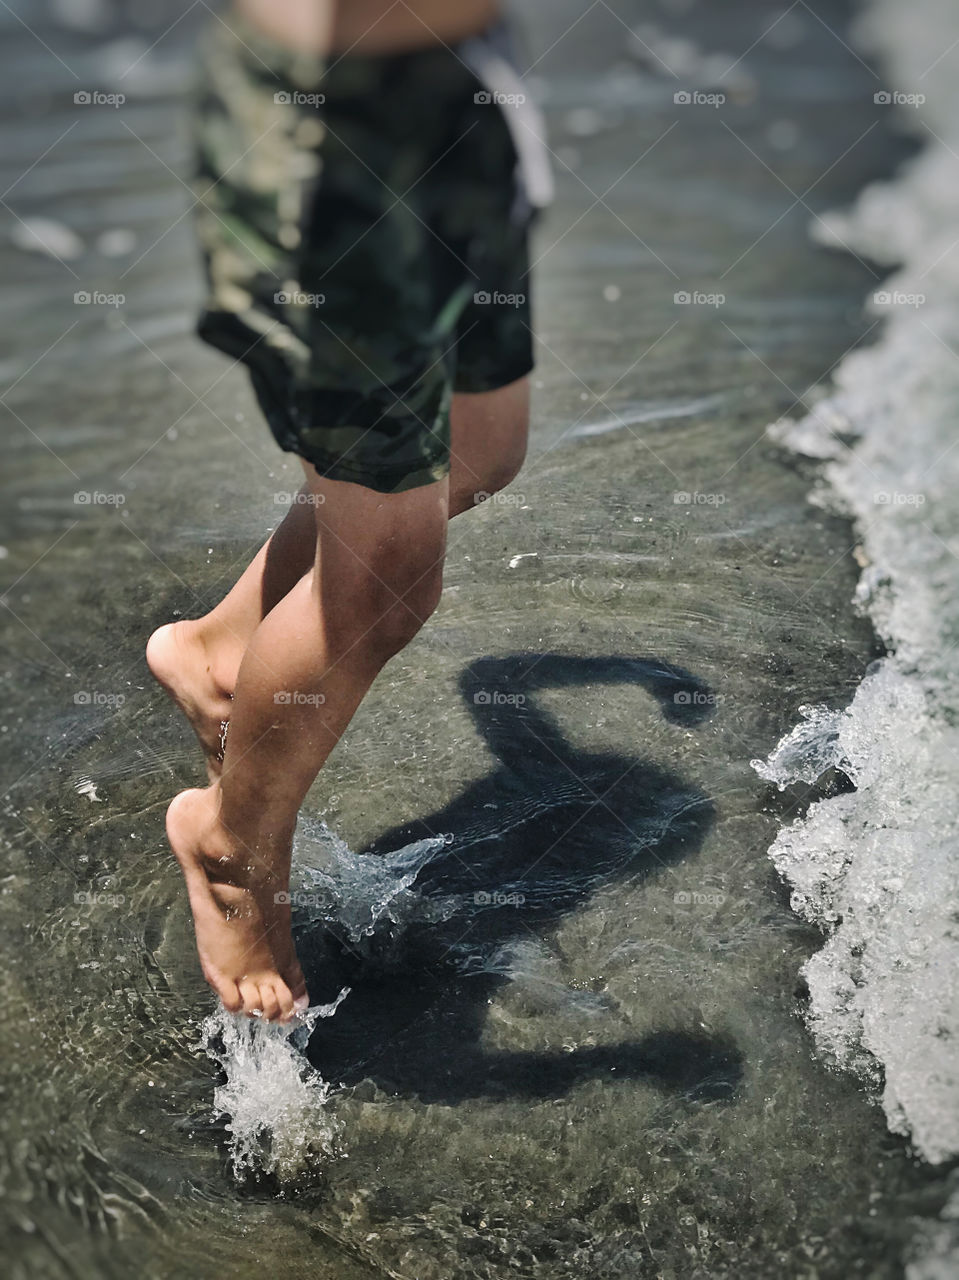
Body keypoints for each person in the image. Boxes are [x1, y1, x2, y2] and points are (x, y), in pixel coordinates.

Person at [146, 0, 551, 1022]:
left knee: (479, 453)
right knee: (387, 575)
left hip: (465, 95)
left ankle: (220, 646)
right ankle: (230, 850)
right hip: (334, 135)